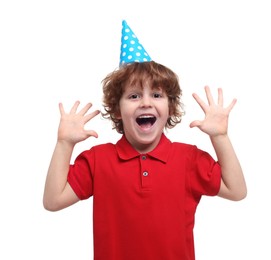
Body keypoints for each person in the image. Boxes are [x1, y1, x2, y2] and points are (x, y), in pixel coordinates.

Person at [43, 21, 247, 260]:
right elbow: (53, 200)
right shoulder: (98, 159)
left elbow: (237, 190)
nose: (146, 102)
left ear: (169, 108)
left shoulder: (188, 158)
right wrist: (64, 144)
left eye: (157, 95)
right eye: (134, 95)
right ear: (117, 110)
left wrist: (220, 137)